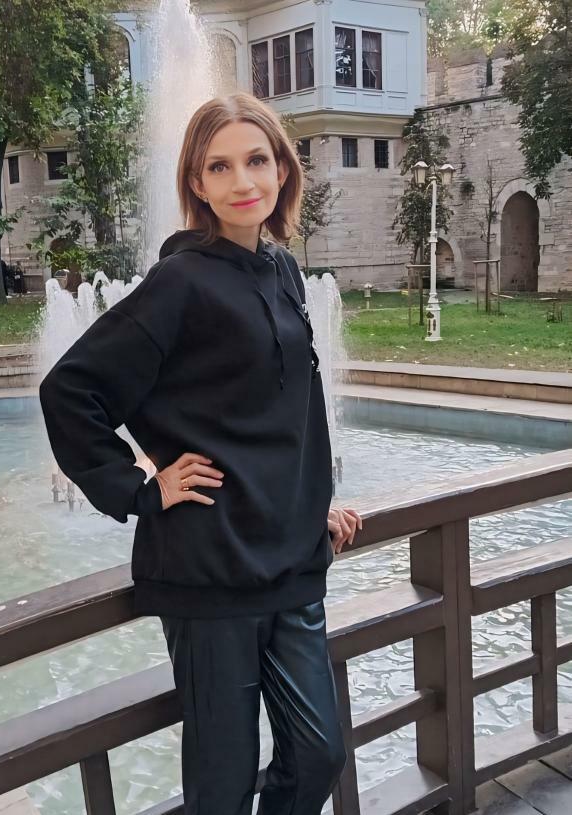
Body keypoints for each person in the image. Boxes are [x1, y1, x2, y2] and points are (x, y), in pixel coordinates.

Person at [39, 91, 362, 815]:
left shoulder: (283, 271)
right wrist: (139, 487)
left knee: (319, 754)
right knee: (222, 782)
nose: (242, 181)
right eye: (220, 166)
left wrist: (311, 503)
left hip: (290, 563)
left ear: (282, 170)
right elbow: (71, 390)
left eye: (257, 160)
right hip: (208, 568)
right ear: (196, 182)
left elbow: (284, 414)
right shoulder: (179, 282)